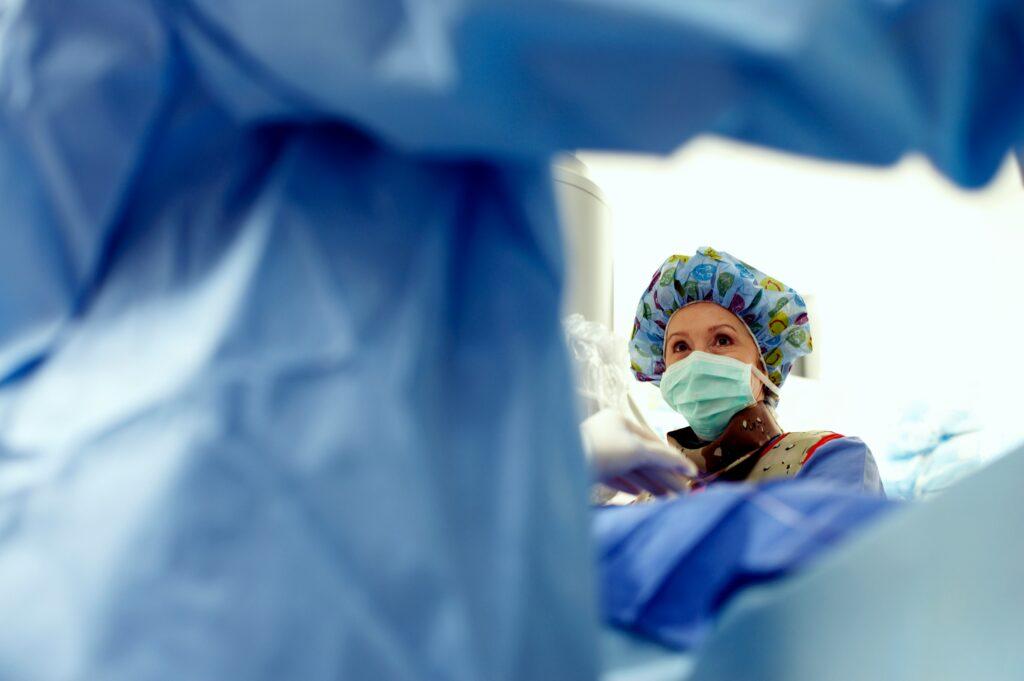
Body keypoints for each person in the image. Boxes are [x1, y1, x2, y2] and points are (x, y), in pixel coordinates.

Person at [630, 248, 883, 494]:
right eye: (680, 346)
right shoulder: (651, 495)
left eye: (722, 340)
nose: (697, 360)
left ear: (763, 365)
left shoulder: (826, 459)